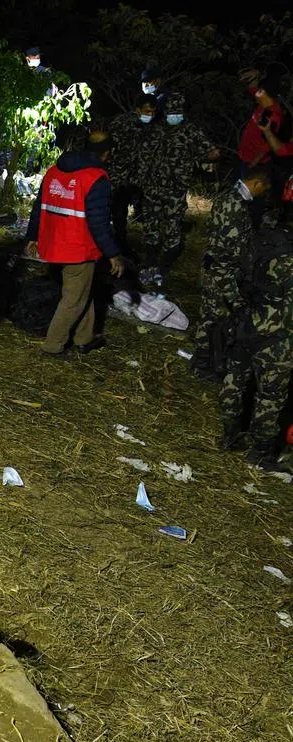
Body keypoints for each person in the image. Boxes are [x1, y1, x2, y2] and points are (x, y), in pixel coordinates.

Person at [25, 131, 126, 356]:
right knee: (73, 299)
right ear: (106, 153)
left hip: (53, 243)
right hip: (78, 248)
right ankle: (53, 345)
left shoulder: (54, 171)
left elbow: (38, 207)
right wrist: (113, 254)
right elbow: (99, 222)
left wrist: (32, 237)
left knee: (81, 291)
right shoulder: (95, 177)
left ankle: (84, 338)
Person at [219, 227, 293, 468]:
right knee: (270, 397)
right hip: (278, 337)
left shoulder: (261, 241)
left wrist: (240, 309)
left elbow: (228, 275)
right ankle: (261, 452)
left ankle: (229, 435)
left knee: (234, 382)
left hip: (246, 326)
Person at [191, 168, 271, 381]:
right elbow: (229, 247)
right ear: (257, 183)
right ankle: (202, 364)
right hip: (220, 272)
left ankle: (205, 361)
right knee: (212, 319)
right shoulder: (234, 204)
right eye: (263, 190)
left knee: (213, 317)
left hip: (219, 269)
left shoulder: (231, 197)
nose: (261, 194)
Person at [140, 92, 220, 286]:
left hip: (175, 189)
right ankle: (148, 266)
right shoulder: (156, 129)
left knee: (172, 230)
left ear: (183, 111)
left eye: (177, 111)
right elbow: (144, 152)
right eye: (170, 111)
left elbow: (214, 152)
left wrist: (195, 160)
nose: (173, 114)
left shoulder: (192, 131)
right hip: (153, 187)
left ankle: (163, 269)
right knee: (150, 227)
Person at [107, 95, 157, 258]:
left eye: (153, 112)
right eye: (147, 111)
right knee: (116, 214)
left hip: (134, 179)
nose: (150, 115)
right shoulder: (121, 123)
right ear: (137, 110)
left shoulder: (148, 126)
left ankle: (121, 245)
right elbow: (112, 151)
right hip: (118, 177)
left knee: (122, 215)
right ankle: (115, 247)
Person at [238, 74, 284, 174]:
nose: (256, 94)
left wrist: (254, 163)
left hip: (253, 162)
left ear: (265, 94)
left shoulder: (271, 115)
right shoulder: (263, 104)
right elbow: (252, 88)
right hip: (244, 155)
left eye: (259, 91)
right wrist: (255, 75)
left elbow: (268, 144)